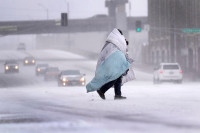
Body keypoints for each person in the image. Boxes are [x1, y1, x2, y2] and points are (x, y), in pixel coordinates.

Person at [86, 28, 135, 100]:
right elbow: (120, 53)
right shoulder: (116, 43)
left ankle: (117, 95)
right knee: (114, 78)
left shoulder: (112, 42)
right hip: (113, 64)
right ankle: (102, 90)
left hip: (112, 63)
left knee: (118, 78)